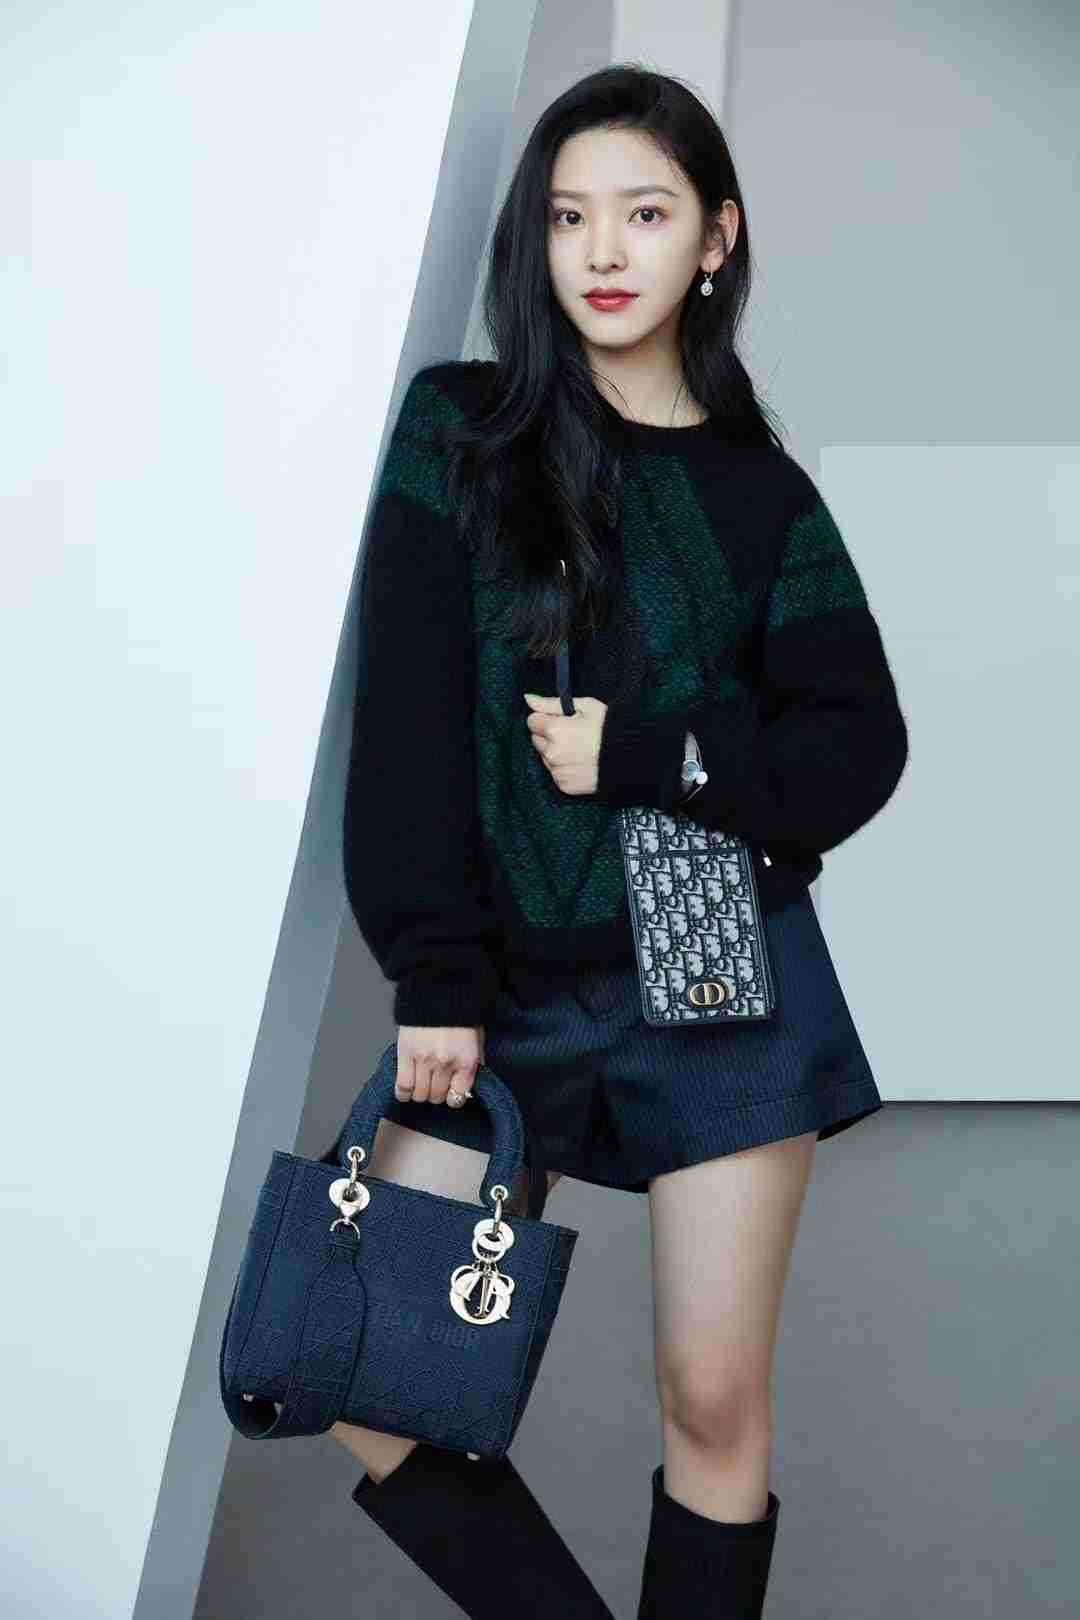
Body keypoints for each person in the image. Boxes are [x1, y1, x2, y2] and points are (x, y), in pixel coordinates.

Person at [321, 63, 909, 1620]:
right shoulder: (463, 431)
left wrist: (652, 756)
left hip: (717, 954)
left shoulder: (761, 496)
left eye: (644, 214)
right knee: (370, 1365)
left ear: (715, 239)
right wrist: (434, 974)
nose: (600, 249)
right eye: (568, 215)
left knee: (711, 1406)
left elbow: (858, 743)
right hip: (502, 974)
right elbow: (409, 726)